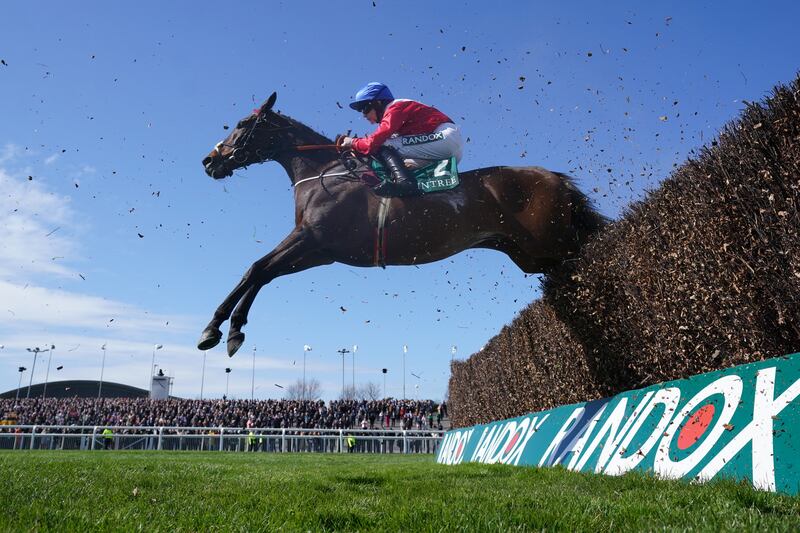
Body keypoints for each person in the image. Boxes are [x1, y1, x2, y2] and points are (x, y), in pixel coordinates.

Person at [340, 82, 463, 197]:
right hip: (444, 147)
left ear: (377, 103)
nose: (364, 115)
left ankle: (404, 183)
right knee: (400, 164)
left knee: (383, 144)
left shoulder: (395, 107)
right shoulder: (397, 112)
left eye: (365, 109)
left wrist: (352, 142)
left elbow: (374, 142)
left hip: (445, 137)